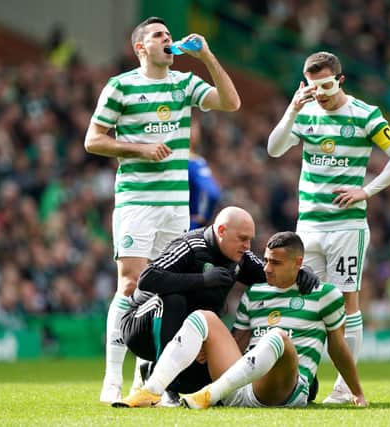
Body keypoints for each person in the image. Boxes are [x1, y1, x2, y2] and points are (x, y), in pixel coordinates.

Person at [84, 16, 241, 403]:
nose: (168, 40)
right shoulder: (121, 86)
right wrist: (139, 149)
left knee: (169, 293)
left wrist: (207, 57)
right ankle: (111, 380)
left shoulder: (184, 84)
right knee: (131, 285)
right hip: (137, 200)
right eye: (159, 36)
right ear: (141, 48)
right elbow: (93, 140)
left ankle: (157, 379)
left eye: (170, 35)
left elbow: (231, 102)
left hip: (174, 206)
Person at [266, 51, 390, 403]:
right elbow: (273, 149)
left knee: (348, 304)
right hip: (309, 227)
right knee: (307, 302)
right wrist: (293, 108)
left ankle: (346, 388)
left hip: (347, 227)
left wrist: (367, 190)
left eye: (328, 85)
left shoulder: (365, 114)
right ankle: (301, 381)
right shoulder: (306, 113)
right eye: (315, 87)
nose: (322, 93)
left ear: (341, 80)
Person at [114, 231, 367, 408]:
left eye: (276, 263)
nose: (267, 268)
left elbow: (337, 347)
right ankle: (152, 390)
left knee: (276, 336)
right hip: (239, 383)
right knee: (204, 317)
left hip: (282, 388)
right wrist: (207, 347)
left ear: (298, 263)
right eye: (266, 260)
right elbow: (236, 342)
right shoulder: (255, 293)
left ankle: (209, 394)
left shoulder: (325, 294)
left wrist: (356, 391)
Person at [116, 207, 319, 402]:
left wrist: (301, 271)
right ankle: (167, 388)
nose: (248, 246)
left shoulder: (241, 258)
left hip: (192, 337)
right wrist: (203, 280)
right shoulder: (190, 245)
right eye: (242, 239)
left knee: (214, 383)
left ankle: (154, 371)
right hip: (140, 325)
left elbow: (270, 276)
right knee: (173, 299)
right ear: (221, 231)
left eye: (250, 239)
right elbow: (147, 278)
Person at [188, 152, 221, 230]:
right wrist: (206, 216)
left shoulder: (166, 160)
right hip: (190, 224)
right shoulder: (195, 162)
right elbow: (213, 193)